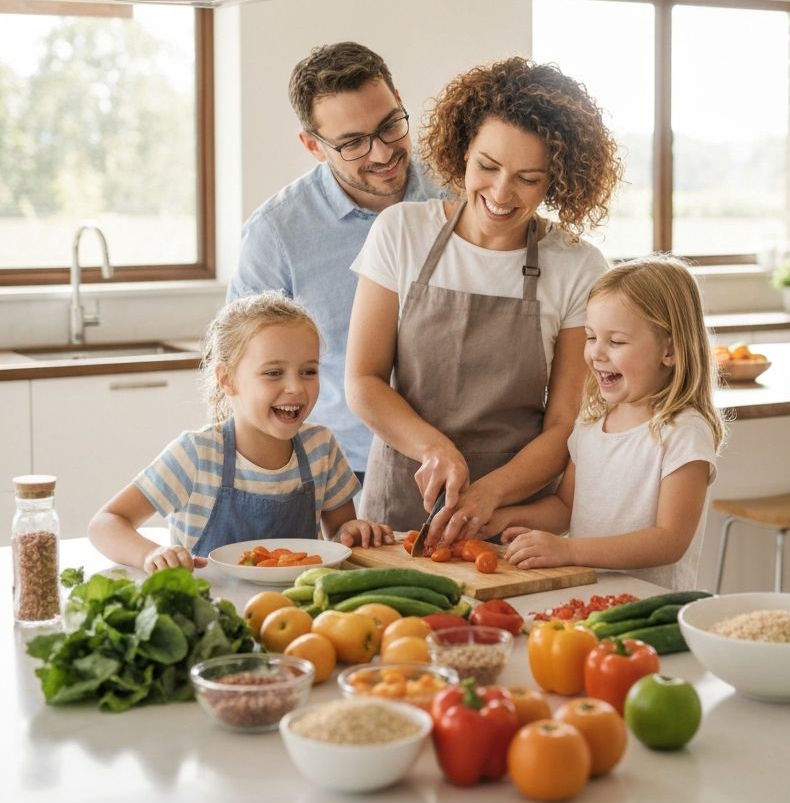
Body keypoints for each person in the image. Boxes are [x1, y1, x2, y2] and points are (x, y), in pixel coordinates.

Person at [346, 56, 622, 545]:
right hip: (398, 509)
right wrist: (436, 450)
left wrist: (487, 495)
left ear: (556, 179)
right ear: (462, 150)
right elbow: (363, 382)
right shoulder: (402, 233)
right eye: (487, 167)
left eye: (528, 178)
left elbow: (564, 425)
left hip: (510, 517)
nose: (501, 193)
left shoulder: (577, 265)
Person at [227, 42, 436, 483]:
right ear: (313, 146)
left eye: (389, 127)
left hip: (470, 461)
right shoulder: (276, 234)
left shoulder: (460, 191)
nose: (381, 154)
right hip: (343, 475)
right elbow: (242, 373)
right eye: (353, 143)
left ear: (399, 101)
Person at [88, 292, 392, 574]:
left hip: (296, 617)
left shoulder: (320, 448)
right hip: (211, 615)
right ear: (227, 379)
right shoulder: (197, 454)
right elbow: (106, 522)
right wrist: (150, 554)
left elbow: (339, 534)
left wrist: (352, 531)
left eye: (308, 371)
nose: (296, 387)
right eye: (274, 373)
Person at [485, 257, 725, 590]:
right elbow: (565, 506)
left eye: (616, 341)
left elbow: (669, 541)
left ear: (668, 349)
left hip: (645, 610)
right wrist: (506, 518)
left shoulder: (684, 433)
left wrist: (568, 550)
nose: (597, 353)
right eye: (591, 336)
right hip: (588, 598)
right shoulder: (592, 420)